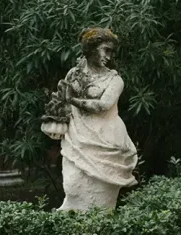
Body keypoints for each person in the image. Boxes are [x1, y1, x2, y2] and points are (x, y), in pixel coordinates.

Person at [41, 27, 138, 211]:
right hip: (76, 137)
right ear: (90, 49)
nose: (109, 56)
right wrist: (59, 106)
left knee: (100, 198)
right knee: (73, 185)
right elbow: (63, 99)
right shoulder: (73, 74)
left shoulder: (115, 80)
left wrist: (72, 99)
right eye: (105, 50)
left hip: (105, 141)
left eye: (111, 52)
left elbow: (102, 105)